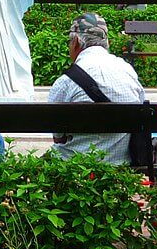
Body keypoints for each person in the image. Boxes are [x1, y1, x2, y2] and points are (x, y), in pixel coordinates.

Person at [48, 13, 146, 165]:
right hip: (120, 163)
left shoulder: (65, 83)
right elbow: (139, 110)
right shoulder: (128, 71)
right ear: (107, 42)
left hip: (72, 165)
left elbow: (58, 136)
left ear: (75, 42)